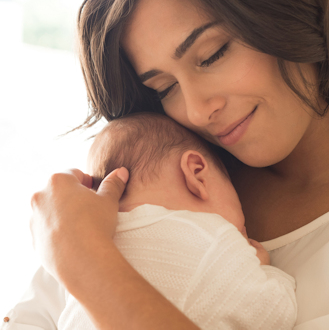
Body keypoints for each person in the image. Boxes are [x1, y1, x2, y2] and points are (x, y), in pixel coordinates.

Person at [3, 0, 329, 329]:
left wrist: (86, 262)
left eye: (212, 55)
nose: (195, 111)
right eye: (165, 88)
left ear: (294, 6)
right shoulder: (163, 185)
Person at [58, 112, 296, 330]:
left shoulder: (85, 259)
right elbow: (275, 314)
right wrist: (264, 269)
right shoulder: (212, 239)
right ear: (197, 173)